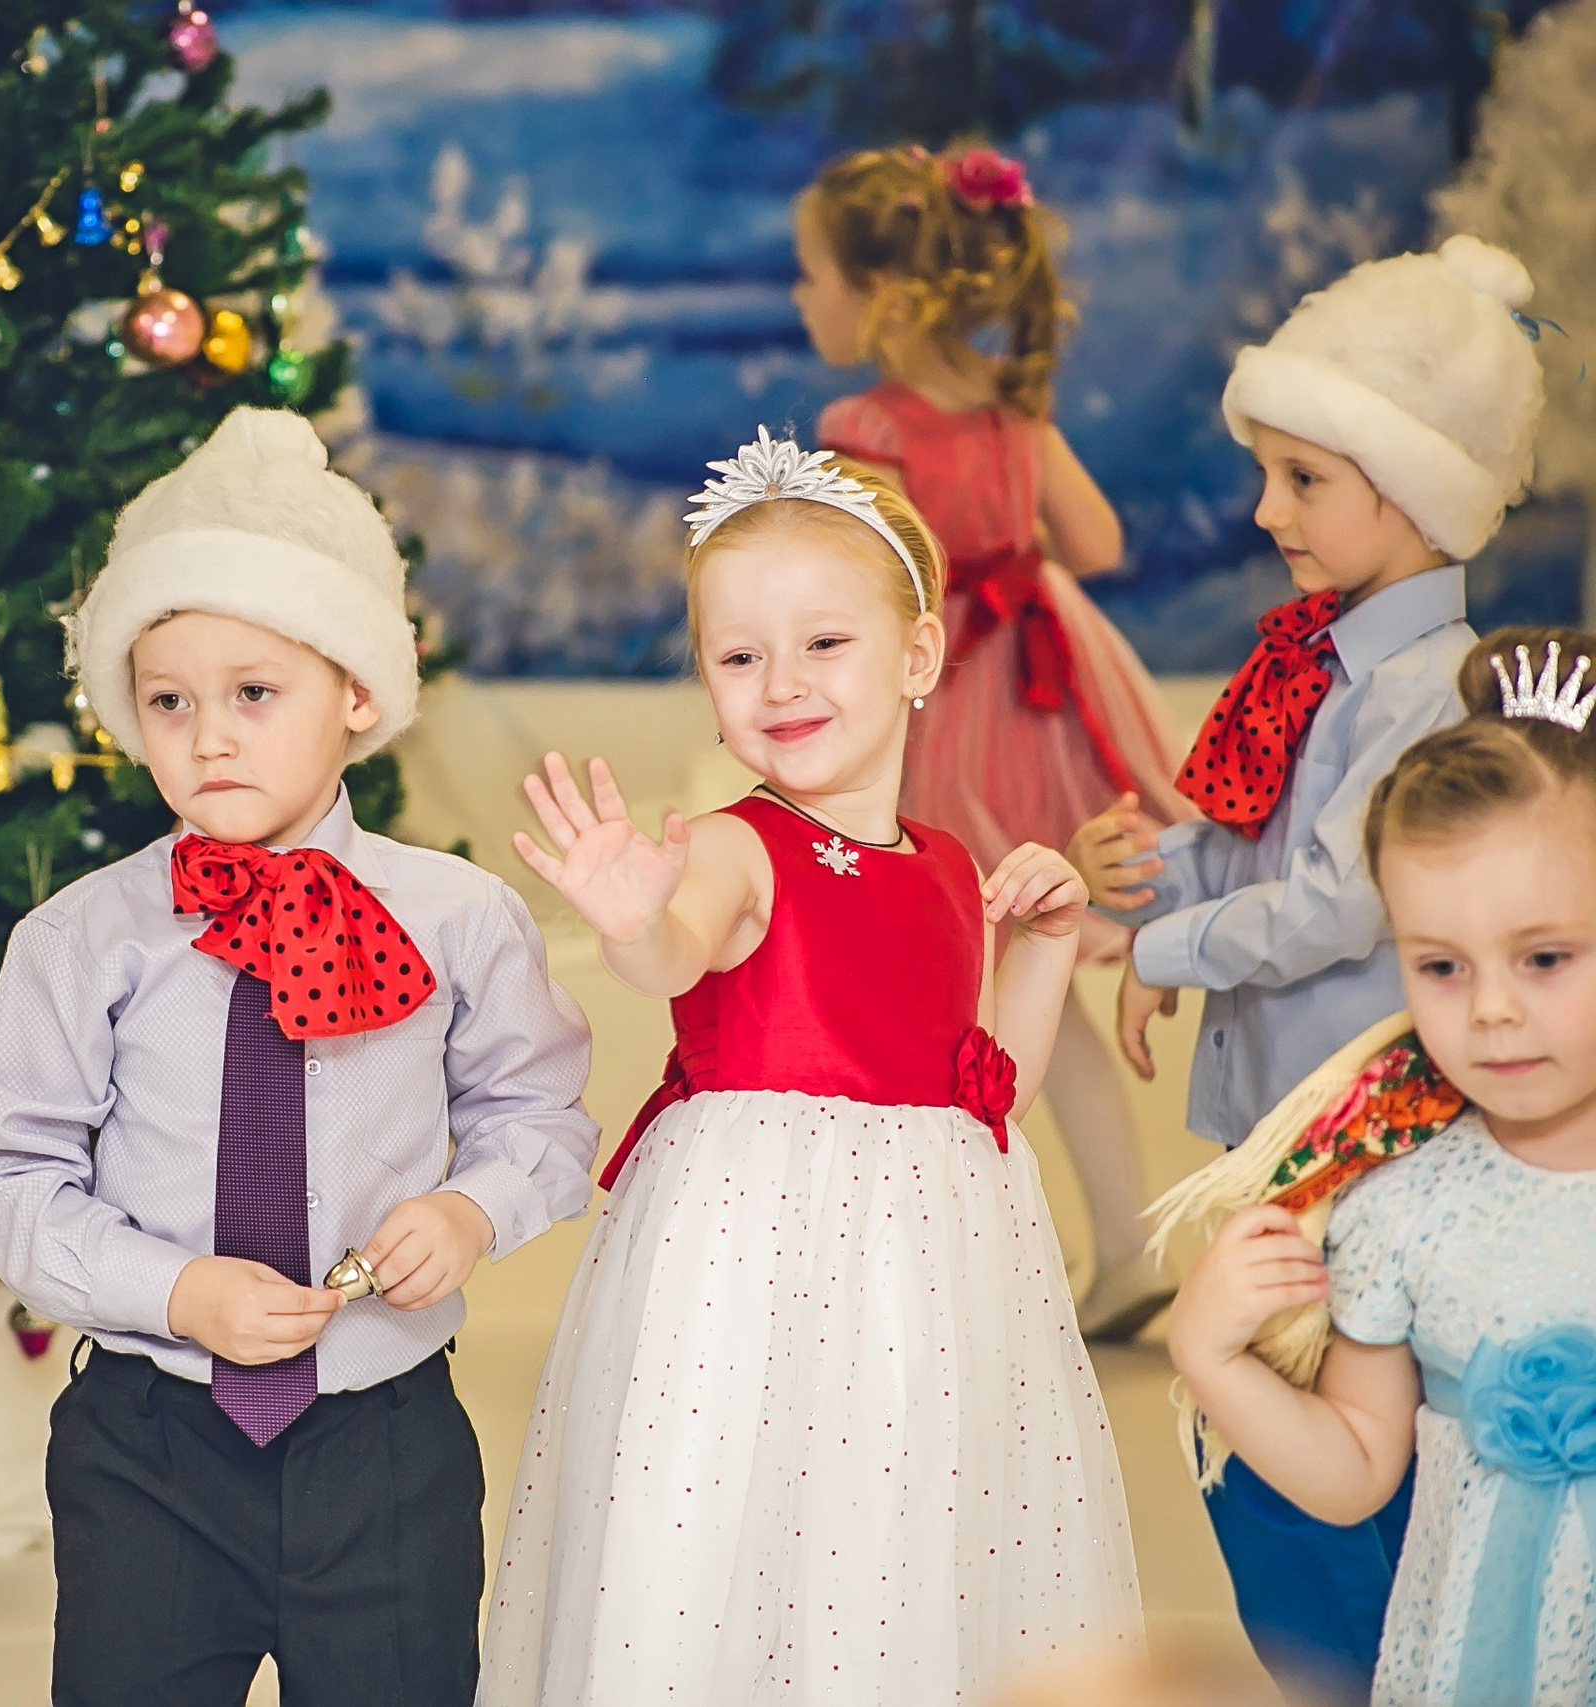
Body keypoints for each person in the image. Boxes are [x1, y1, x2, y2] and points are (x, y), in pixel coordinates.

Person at [0, 407, 599, 1707]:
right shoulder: (81, 937)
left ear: (357, 692)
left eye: (255, 693)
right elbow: (10, 1177)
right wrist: (176, 1289)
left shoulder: (458, 915)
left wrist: (470, 1208)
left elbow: (539, 1114)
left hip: (384, 1439)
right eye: (169, 701)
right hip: (149, 1443)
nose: (209, 736)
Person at [480, 429, 1140, 1705]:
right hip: (754, 1265)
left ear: (918, 655)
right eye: (738, 657)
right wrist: (630, 921)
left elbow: (983, 1094)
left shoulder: (947, 865)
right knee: (740, 1531)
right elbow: (672, 952)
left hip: (930, 1278)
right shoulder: (737, 845)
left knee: (898, 1538)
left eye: (824, 642)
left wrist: (1049, 944)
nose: (780, 683)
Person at [1069, 234, 1545, 1699]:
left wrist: (1153, 941)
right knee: (1260, 1444)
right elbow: (1248, 830)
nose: (1266, 509)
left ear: (1413, 490)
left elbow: (1340, 899)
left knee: (1322, 1476)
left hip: (1363, 1145)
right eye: (1266, 473)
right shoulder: (1314, 661)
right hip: (1275, 1133)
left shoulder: (1427, 686)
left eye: (1303, 478)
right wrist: (1137, 883)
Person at [796, 143, 1192, 1337]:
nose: (802, 300)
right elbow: (1099, 542)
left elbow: (849, 589)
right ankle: (1120, 1246)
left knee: (942, 973)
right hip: (1036, 690)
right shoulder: (1014, 412)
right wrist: (1003, 546)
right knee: (1033, 961)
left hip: (947, 700)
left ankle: (949, 1260)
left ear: (882, 293)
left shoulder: (867, 426)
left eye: (811, 275)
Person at [1163, 625, 1596, 1707]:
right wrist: (1211, 1355)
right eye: (1440, 966)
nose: (1491, 1009)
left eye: (1544, 958)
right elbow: (1356, 1466)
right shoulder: (1402, 1204)